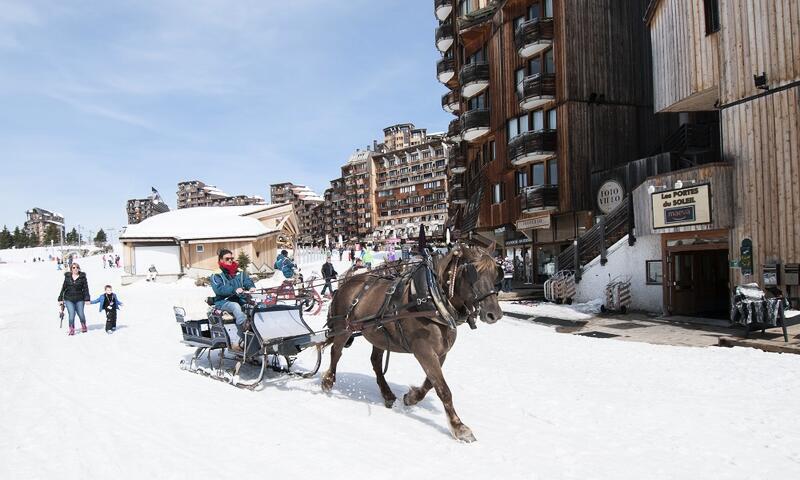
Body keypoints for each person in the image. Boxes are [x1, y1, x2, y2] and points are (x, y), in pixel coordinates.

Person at [211, 249, 256, 351]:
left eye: (231, 258)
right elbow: (219, 289)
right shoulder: (217, 275)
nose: (230, 260)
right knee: (235, 306)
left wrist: (251, 286)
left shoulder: (239, 272)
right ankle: (244, 328)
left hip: (240, 299)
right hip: (223, 301)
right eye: (227, 259)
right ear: (221, 260)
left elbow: (247, 281)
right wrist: (234, 290)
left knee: (256, 306)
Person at [57, 262, 91, 336]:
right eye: (74, 267)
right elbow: (63, 288)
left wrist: (87, 299)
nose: (75, 269)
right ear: (71, 269)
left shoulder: (82, 277)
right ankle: (71, 328)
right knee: (71, 314)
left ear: (79, 268)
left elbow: (86, 289)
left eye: (77, 267)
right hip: (68, 299)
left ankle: (83, 325)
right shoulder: (67, 277)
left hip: (80, 299)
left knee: (81, 314)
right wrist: (60, 299)